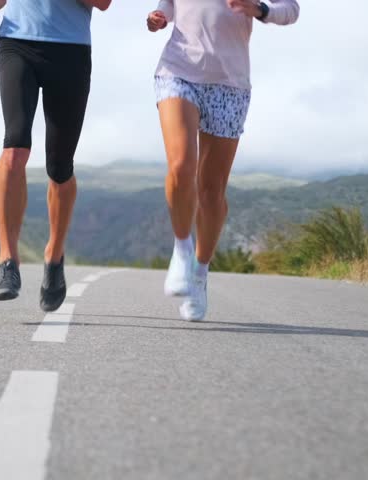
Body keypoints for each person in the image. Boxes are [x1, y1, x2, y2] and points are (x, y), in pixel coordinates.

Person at [147, 0, 299, 321]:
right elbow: (166, 9)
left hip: (230, 84)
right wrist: (156, 19)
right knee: (180, 167)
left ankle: (200, 273)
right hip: (178, 71)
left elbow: (291, 9)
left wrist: (259, 9)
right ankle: (182, 250)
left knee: (211, 191)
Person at [0, 0, 112, 312]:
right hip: (17, 42)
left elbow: (104, 3)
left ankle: (54, 255)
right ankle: (8, 261)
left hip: (70, 50)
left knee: (60, 168)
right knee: (14, 148)